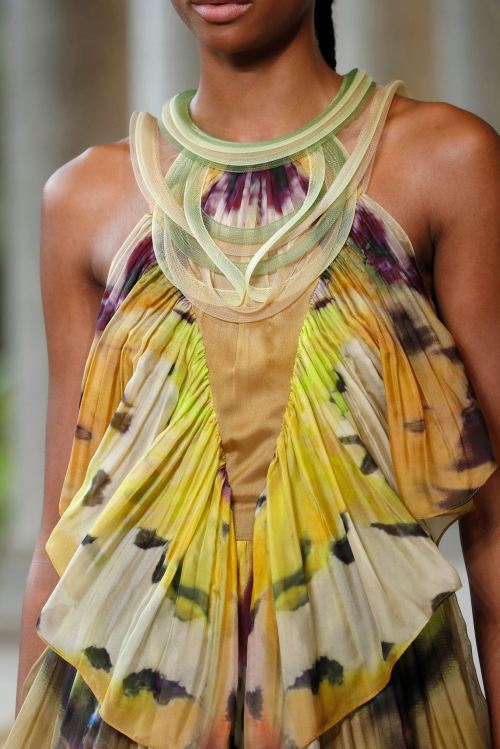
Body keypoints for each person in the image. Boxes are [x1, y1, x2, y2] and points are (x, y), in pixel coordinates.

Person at [5, 0, 500, 747]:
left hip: (378, 715)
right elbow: (62, 547)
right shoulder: (82, 199)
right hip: (123, 715)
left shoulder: (445, 162)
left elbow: (495, 531)